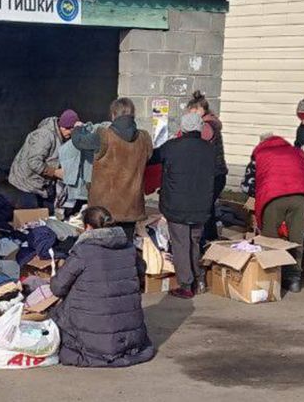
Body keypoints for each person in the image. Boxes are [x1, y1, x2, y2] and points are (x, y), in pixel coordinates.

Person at [50, 206, 155, 368]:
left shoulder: (83, 251)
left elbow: (57, 288)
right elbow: (141, 271)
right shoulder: (129, 247)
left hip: (93, 342)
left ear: (88, 227)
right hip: (130, 339)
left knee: (57, 313)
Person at [149, 112, 216, 298]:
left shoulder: (172, 147)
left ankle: (186, 285)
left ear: (183, 128)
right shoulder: (209, 150)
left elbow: (152, 158)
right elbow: (217, 173)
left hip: (176, 205)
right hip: (201, 205)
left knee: (180, 244)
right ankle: (198, 278)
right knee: (194, 242)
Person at [241, 134, 304, 292]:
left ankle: (270, 277)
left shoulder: (260, 155)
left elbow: (247, 185)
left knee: (270, 238)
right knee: (297, 238)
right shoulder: (297, 153)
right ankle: (294, 279)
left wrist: (260, 193)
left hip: (272, 197)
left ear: (262, 143)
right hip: (300, 197)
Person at [72, 98, 153, 242]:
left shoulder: (104, 136)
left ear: (113, 115)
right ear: (133, 115)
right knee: (125, 246)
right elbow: (150, 158)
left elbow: (79, 142)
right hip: (131, 208)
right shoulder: (144, 138)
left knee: (102, 247)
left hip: (103, 210)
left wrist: (77, 128)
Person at [8, 109, 79, 210]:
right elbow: (33, 162)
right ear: (62, 127)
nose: (70, 134)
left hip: (43, 184)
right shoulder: (45, 135)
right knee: (29, 216)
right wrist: (55, 172)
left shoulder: (62, 136)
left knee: (48, 214)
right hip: (27, 182)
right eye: (68, 130)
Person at [186, 91, 228, 242]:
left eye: (191, 113)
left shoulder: (206, 127)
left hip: (212, 174)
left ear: (198, 110)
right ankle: (211, 238)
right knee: (208, 207)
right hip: (217, 173)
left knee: (205, 207)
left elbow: (196, 146)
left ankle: (207, 238)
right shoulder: (212, 123)